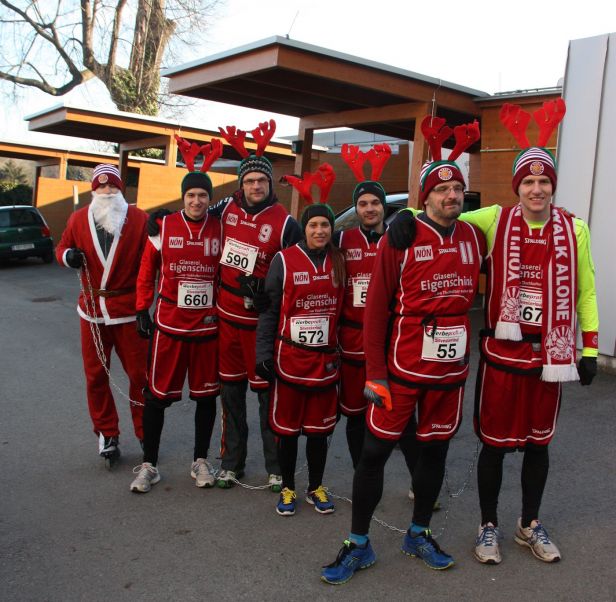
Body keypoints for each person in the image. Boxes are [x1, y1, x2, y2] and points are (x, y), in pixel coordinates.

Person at [386, 100, 599, 565]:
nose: (537, 189)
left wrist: (589, 347)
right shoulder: (495, 220)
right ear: (517, 186)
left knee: (539, 444)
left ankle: (530, 523)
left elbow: (586, 291)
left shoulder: (574, 229)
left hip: (551, 356)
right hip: (503, 356)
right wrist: (401, 217)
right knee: (495, 448)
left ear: (553, 186)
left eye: (544, 181)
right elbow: (444, 216)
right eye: (529, 181)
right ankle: (488, 526)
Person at [321, 117, 484, 583]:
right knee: (374, 453)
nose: (451, 196)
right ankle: (358, 543)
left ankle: (419, 532)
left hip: (449, 373)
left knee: (434, 454)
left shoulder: (475, 236)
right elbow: (375, 310)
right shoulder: (403, 237)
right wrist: (375, 372)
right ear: (425, 196)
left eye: (457, 190)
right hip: (401, 367)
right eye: (441, 190)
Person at [212, 121, 302, 491]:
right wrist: (158, 221)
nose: (255, 187)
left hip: (260, 325)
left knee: (267, 399)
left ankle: (276, 466)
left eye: (261, 181)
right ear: (241, 184)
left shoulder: (286, 223)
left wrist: (271, 296)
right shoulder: (225, 209)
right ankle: (232, 463)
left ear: (269, 184)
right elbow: (190, 215)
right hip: (225, 320)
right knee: (230, 398)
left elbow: (298, 271)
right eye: (249, 181)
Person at [129, 139, 222, 493]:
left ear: (209, 198)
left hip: (206, 329)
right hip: (168, 325)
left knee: (205, 397)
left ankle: (200, 461)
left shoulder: (220, 225)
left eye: (202, 195)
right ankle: (149, 464)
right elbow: (145, 270)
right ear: (183, 198)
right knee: (157, 397)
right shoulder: (162, 227)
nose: (197, 201)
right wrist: (141, 307)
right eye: (190, 195)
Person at [256, 167, 344, 516]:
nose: (320, 230)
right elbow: (268, 312)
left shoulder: (340, 260)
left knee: (319, 432)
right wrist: (263, 354)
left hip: (325, 363)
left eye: (325, 225)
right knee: (289, 432)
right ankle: (289, 488)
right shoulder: (284, 260)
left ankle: (316, 487)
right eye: (313, 225)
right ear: (304, 229)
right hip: (289, 360)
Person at [56, 164, 148, 468]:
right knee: (96, 376)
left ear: (121, 191)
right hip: (93, 312)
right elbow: (62, 248)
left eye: (112, 188)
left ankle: (145, 430)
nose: (107, 193)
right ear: (93, 190)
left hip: (128, 311)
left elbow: (156, 256)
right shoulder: (77, 219)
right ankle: (107, 434)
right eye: (101, 188)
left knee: (140, 375)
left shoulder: (139, 219)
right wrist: (68, 257)